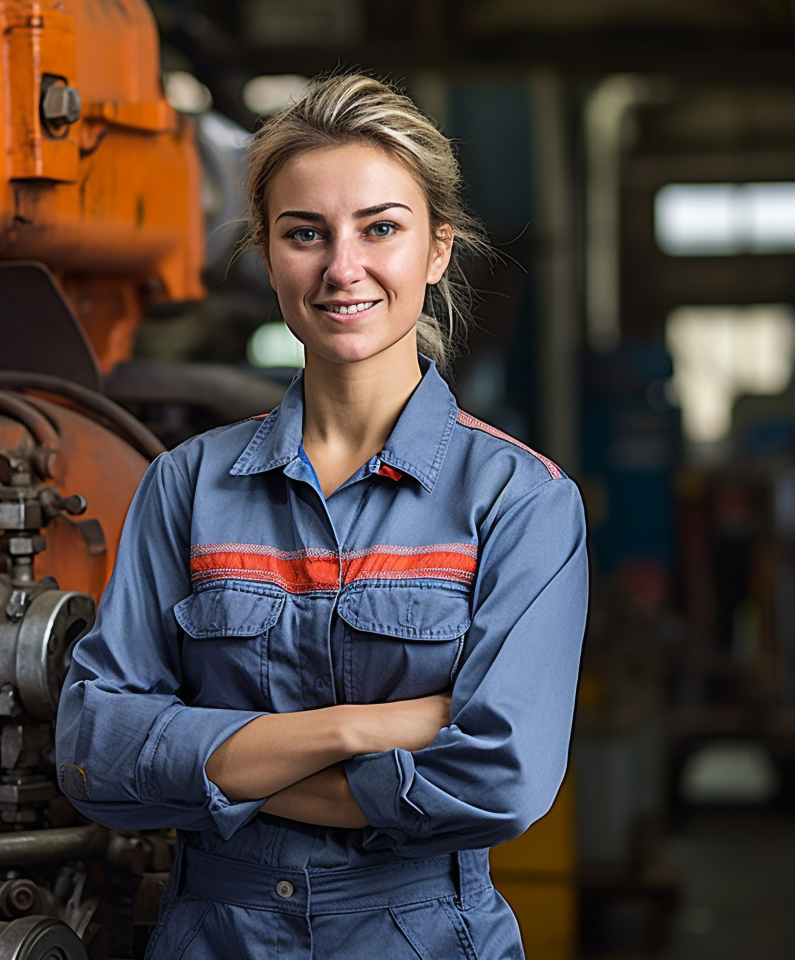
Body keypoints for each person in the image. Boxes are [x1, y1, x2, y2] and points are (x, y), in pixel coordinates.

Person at [56, 73, 588, 960]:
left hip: (420, 934)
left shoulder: (520, 499)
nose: (344, 268)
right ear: (267, 255)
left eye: (381, 228)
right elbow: (93, 751)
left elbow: (501, 779)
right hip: (210, 936)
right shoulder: (185, 486)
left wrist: (212, 766)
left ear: (438, 250)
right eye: (306, 234)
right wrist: (361, 728)